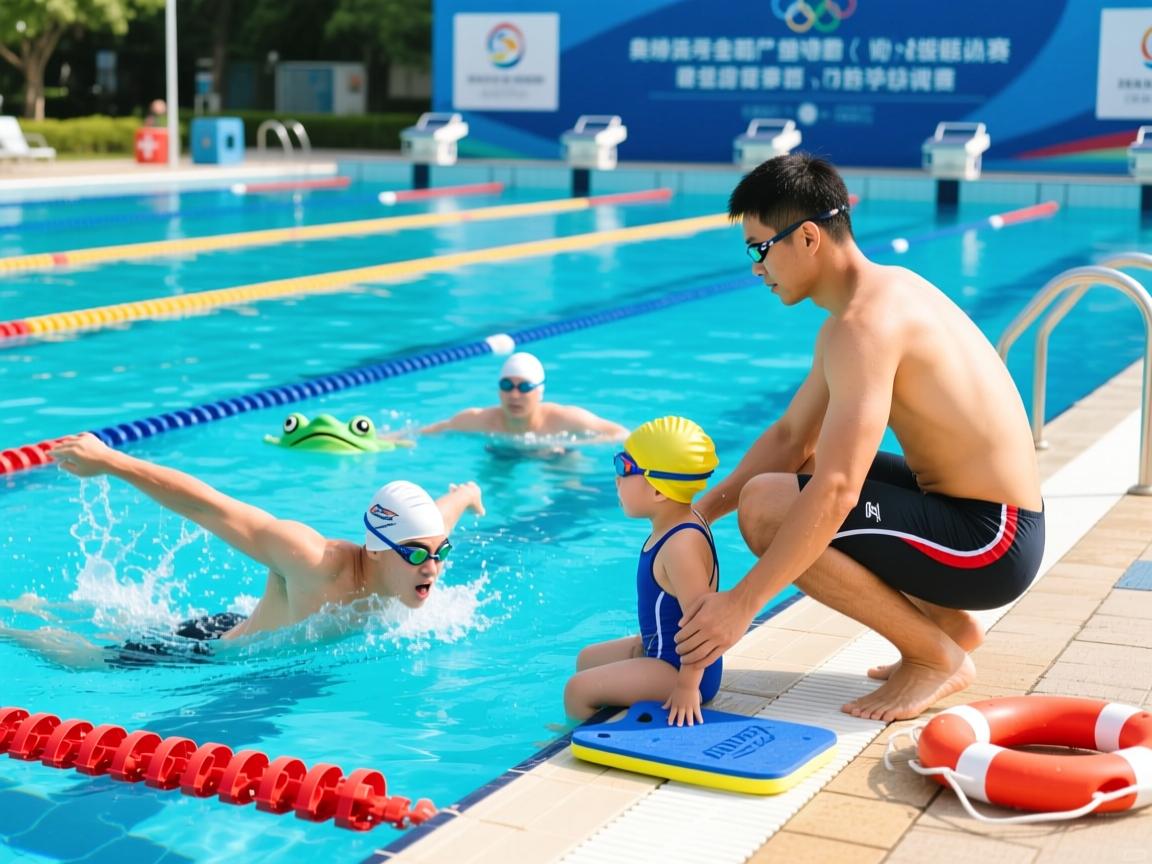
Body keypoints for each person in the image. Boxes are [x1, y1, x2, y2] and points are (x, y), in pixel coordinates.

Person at [675, 153, 1045, 722]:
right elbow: (791, 439)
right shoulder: (875, 299)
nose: (756, 268)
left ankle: (934, 656)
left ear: (806, 238)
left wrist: (740, 605)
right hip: (978, 520)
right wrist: (696, 516)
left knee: (769, 507)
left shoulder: (864, 326)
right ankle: (948, 625)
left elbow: (838, 490)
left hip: (990, 542)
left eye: (759, 249)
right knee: (790, 476)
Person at [35, 433, 485, 658]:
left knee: (124, 623)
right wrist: (110, 460)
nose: (433, 568)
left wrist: (465, 495)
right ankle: (12, 626)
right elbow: (208, 507)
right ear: (377, 549)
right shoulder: (313, 561)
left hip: (243, 623)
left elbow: (437, 519)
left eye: (441, 553)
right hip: (206, 656)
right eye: (418, 554)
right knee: (80, 658)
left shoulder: (414, 552)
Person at [564, 416, 722, 725]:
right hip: (663, 651)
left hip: (682, 670)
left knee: (577, 690)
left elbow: (702, 623)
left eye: (625, 468)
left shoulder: (680, 547)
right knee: (586, 660)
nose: (616, 479)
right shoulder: (678, 522)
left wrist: (687, 687)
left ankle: (582, 742)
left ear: (659, 492)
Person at [415, 352, 628, 441]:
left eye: (524, 387)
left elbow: (620, 433)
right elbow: (435, 429)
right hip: (501, 454)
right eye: (507, 385)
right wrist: (399, 439)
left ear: (539, 392)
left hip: (555, 457)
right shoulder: (480, 419)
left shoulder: (564, 419)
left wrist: (580, 444)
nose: (514, 394)